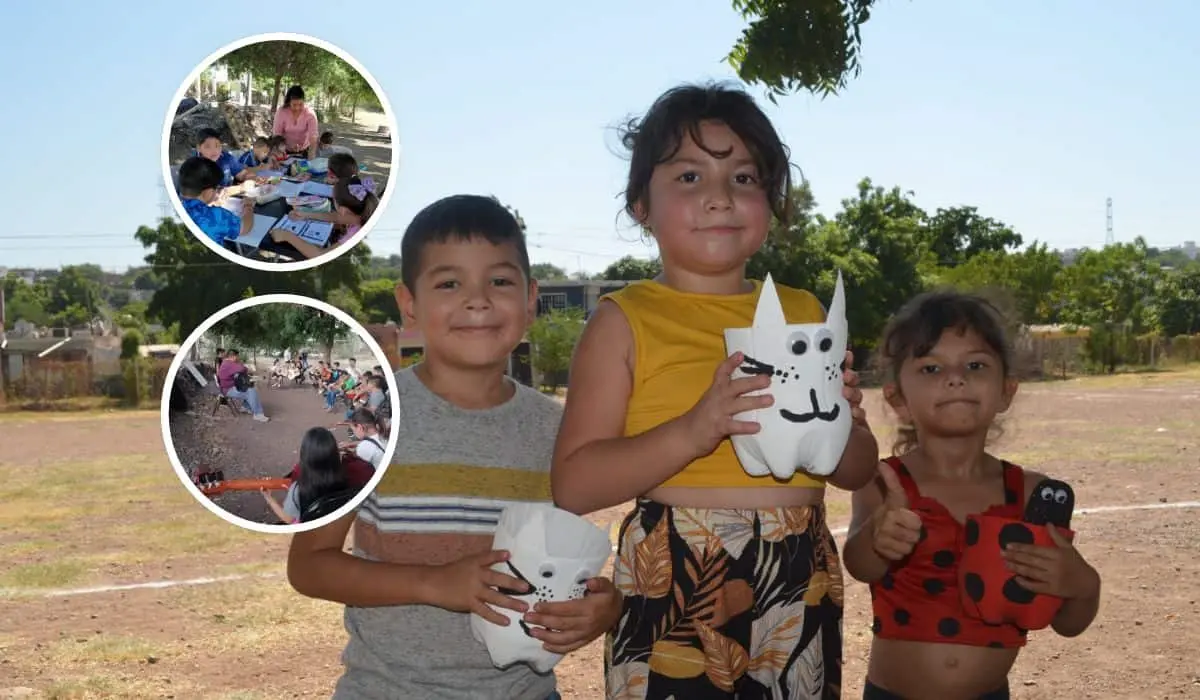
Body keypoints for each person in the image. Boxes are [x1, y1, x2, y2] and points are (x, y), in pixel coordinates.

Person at [550, 82, 880, 699]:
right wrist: (695, 429)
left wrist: (844, 422)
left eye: (744, 178)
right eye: (689, 178)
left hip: (799, 566)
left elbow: (858, 470)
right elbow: (573, 483)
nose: (720, 198)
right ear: (641, 204)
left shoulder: (804, 311)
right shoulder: (623, 320)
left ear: (772, 200)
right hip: (676, 566)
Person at [286, 194, 619, 699]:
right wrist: (433, 583)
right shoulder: (372, 421)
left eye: (500, 281)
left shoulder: (559, 430)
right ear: (409, 304)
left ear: (531, 298)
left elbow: (570, 563)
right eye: (449, 283)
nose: (478, 299)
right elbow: (308, 565)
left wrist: (603, 607)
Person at [843, 292, 1101, 700]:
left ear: (1006, 392)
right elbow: (859, 566)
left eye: (975, 365)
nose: (955, 377)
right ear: (898, 400)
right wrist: (878, 539)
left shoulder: (1031, 494)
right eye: (931, 367)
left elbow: (1068, 622)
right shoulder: (884, 482)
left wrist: (1084, 585)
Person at [270, 174, 379, 259]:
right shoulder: (359, 213)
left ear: (343, 210)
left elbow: (321, 256)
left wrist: (287, 236)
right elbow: (336, 217)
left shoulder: (356, 235)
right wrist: (306, 215)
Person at [177, 157, 254, 245]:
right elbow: (245, 228)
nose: (218, 191)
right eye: (217, 188)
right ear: (208, 192)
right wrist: (248, 206)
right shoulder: (216, 216)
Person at [216, 348, 269, 422]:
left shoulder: (226, 363)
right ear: (233, 356)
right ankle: (258, 414)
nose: (238, 358)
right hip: (227, 390)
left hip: (227, 387)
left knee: (247, 386)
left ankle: (245, 407)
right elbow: (243, 369)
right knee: (251, 390)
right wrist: (240, 364)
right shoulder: (228, 364)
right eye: (237, 357)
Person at [272, 85, 319, 159]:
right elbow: (277, 135)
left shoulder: (310, 114)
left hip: (305, 151)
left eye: (301, 104)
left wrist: (311, 158)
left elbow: (313, 138)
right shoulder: (281, 112)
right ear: (288, 102)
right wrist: (280, 152)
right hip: (284, 151)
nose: (297, 108)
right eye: (294, 105)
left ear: (304, 101)